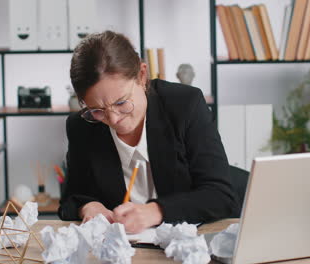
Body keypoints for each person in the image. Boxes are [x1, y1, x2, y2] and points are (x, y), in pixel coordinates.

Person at [58, 30, 239, 233]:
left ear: (142, 76)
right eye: (98, 111)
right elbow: (70, 199)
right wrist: (88, 207)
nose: (114, 119)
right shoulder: (82, 126)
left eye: (121, 102)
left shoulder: (185, 105)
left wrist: (156, 211)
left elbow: (221, 196)